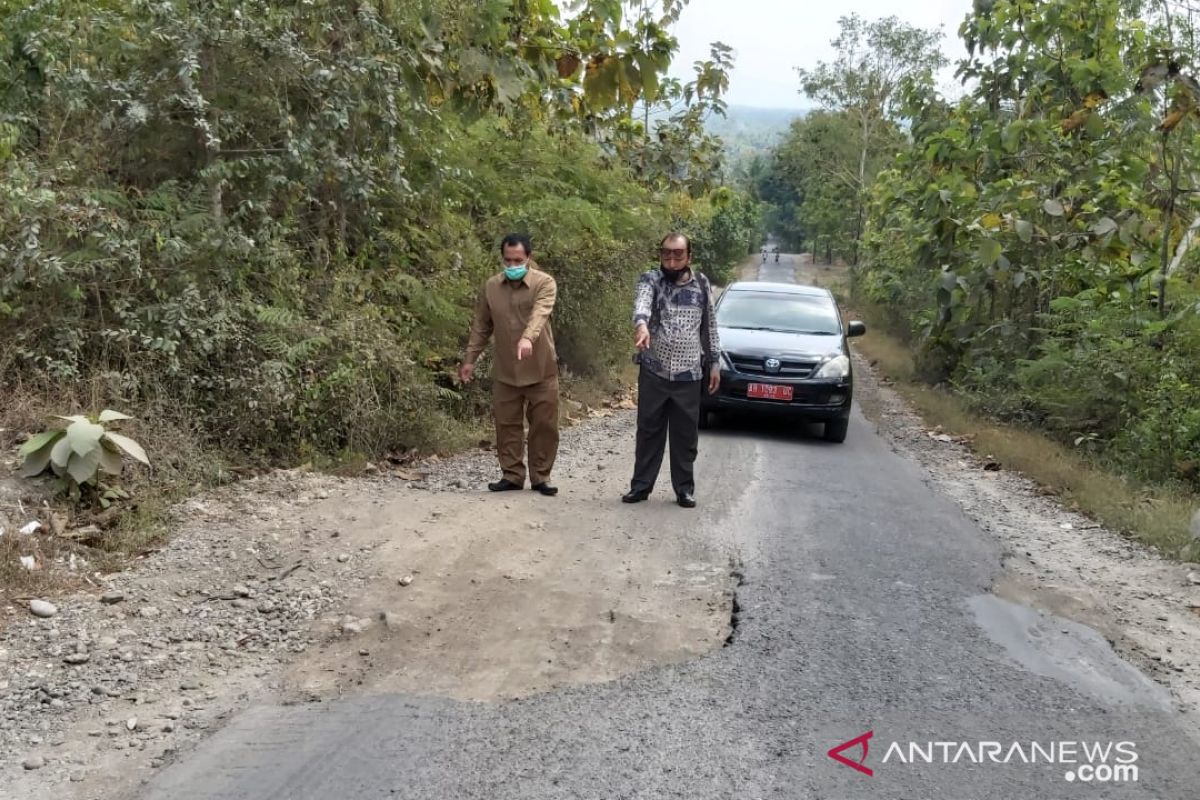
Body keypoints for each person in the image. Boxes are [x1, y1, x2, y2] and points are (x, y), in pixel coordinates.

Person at [623, 233, 721, 509]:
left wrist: (714, 362)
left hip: (689, 374)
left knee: (685, 435)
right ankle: (640, 487)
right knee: (648, 431)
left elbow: (710, 327)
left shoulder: (702, 285)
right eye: (666, 254)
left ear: (689, 256)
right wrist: (641, 326)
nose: (671, 259)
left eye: (678, 254)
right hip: (654, 370)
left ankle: (684, 489)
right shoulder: (650, 279)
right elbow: (641, 305)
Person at [459, 234, 560, 496]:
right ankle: (512, 474)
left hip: (541, 368)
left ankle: (541, 477)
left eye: (518, 260)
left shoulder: (544, 283)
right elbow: (481, 325)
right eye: (508, 260)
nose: (512, 264)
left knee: (544, 426)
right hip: (506, 370)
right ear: (502, 258)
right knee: (506, 425)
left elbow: (541, 313)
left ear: (528, 258)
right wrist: (470, 359)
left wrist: (528, 337)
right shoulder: (491, 286)